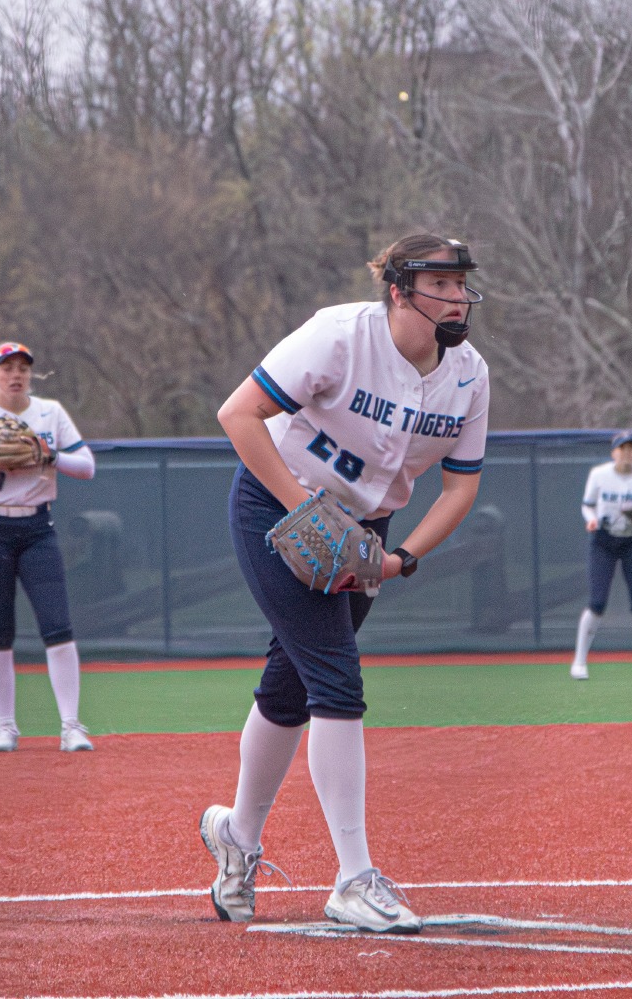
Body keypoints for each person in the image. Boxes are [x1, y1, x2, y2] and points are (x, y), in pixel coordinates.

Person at [200, 233, 491, 935]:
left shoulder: (470, 375)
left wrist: (401, 559)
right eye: (440, 284)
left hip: (365, 534)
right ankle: (354, 877)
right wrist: (302, 511)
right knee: (337, 681)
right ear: (398, 290)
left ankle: (236, 836)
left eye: (461, 285)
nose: (457, 297)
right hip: (277, 507)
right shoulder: (339, 335)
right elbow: (237, 414)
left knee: (290, 686)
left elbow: (460, 489)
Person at [0, 342, 97, 753]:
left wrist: (48, 455)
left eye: (22, 368)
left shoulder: (50, 412)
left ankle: (71, 726)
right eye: (7, 367)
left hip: (37, 528)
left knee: (58, 626)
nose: (16, 374)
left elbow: (86, 465)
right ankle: (6, 727)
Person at [572, 431, 632, 682]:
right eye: (622, 448)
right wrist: (591, 520)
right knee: (597, 602)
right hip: (603, 540)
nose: (628, 453)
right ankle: (579, 662)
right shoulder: (599, 475)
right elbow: (587, 503)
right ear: (613, 452)